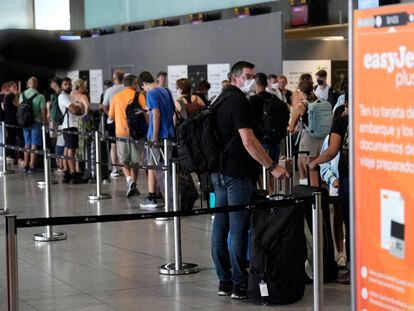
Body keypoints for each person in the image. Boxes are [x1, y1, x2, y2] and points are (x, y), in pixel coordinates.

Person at [211, 61, 289, 300]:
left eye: (254, 76)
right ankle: (239, 283)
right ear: (235, 77)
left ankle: (224, 281)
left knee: (220, 226)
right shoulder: (238, 102)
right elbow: (249, 140)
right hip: (237, 174)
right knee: (238, 228)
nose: (252, 80)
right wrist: (272, 166)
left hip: (218, 172)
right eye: (248, 76)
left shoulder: (218, 99)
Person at [309, 92, 350, 284]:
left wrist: (314, 163)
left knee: (350, 224)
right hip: (368, 179)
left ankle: (351, 267)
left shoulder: (342, 123)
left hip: (348, 180)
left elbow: (332, 151)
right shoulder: (373, 119)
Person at [138, 71, 175, 209]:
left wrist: (154, 137)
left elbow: (156, 115)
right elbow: (171, 111)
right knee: (158, 167)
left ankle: (169, 205)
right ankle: (153, 196)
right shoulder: (166, 91)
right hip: (169, 135)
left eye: (143, 87)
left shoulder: (151, 93)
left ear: (144, 84)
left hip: (157, 137)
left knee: (159, 170)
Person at [108, 74, 145, 198]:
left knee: (124, 160)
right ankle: (133, 183)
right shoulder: (139, 95)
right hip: (136, 133)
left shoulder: (116, 97)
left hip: (120, 133)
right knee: (135, 161)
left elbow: (111, 116)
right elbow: (146, 111)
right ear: (134, 83)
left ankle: (129, 180)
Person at [319, 105, 346, 269]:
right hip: (337, 185)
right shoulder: (329, 139)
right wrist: (332, 179)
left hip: (352, 184)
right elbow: (325, 164)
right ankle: (341, 253)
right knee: (339, 217)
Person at [249, 72, 284, 191]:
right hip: (275, 142)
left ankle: (269, 203)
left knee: (261, 174)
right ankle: (273, 197)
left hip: (260, 143)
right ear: (266, 83)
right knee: (272, 172)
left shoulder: (253, 100)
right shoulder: (274, 98)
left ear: (255, 83)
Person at [288, 74, 322, 186]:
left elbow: (291, 126)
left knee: (307, 168)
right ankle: (317, 197)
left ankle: (310, 196)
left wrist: (290, 128)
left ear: (301, 92)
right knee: (315, 168)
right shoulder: (318, 101)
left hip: (307, 139)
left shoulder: (300, 106)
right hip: (319, 138)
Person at [58, 77, 84, 184]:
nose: (68, 86)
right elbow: (75, 110)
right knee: (71, 151)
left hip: (73, 125)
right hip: (68, 126)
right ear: (61, 86)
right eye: (65, 84)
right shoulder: (63, 96)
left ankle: (67, 174)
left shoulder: (70, 96)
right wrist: (78, 108)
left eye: (69, 84)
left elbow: (79, 109)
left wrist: (78, 108)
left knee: (67, 150)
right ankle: (74, 175)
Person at [19, 77, 47, 174]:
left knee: (27, 144)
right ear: (37, 84)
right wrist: (45, 122)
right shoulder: (40, 96)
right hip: (36, 121)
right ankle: (32, 166)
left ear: (28, 84)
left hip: (25, 122)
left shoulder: (22, 95)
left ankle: (25, 165)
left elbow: (20, 108)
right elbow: (43, 110)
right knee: (34, 144)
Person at [103, 69, 125, 178]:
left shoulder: (110, 91)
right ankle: (125, 168)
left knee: (113, 145)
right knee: (124, 144)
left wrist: (109, 114)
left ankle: (115, 169)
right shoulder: (126, 89)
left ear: (114, 78)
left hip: (112, 121)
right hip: (125, 121)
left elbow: (104, 106)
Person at [72, 79, 93, 177]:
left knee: (76, 147)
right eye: (83, 86)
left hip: (74, 123)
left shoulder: (72, 96)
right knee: (85, 145)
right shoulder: (83, 96)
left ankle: (77, 168)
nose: (85, 88)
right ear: (80, 87)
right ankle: (87, 167)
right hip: (83, 123)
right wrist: (86, 118)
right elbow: (87, 108)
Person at [3, 82, 24, 164]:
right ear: (10, 88)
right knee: (16, 139)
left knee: (11, 139)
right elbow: (19, 106)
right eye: (14, 86)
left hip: (10, 121)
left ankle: (11, 156)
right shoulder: (11, 96)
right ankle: (17, 157)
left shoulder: (8, 96)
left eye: (16, 86)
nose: (16, 87)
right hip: (13, 122)